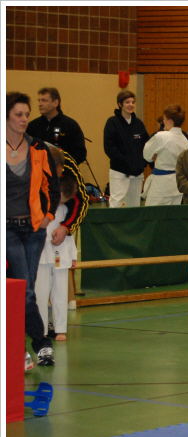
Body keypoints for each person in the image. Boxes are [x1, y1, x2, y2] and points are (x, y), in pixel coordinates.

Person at [6, 92, 60, 370]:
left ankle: (25, 348)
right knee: (24, 290)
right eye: (18, 114)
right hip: (7, 230)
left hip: (33, 229)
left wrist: (48, 216)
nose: (24, 119)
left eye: (27, 114)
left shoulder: (38, 147)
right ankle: (38, 344)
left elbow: (53, 186)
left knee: (25, 290)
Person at [35, 167, 78, 342]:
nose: (60, 202)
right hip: (41, 255)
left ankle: (60, 329)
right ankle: (42, 330)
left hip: (62, 255)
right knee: (40, 293)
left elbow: (69, 234)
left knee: (60, 293)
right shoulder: (39, 206)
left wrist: (73, 256)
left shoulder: (68, 210)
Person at [103, 90, 149, 208]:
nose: (131, 105)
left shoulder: (138, 124)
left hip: (137, 173)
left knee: (134, 204)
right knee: (116, 202)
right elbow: (109, 147)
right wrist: (125, 162)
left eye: (133, 102)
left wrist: (142, 163)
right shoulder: (112, 123)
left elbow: (147, 145)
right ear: (120, 104)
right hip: (119, 171)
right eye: (127, 102)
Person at [27, 87, 88, 165]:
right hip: (38, 169)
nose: (40, 104)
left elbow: (80, 153)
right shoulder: (33, 126)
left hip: (63, 170)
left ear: (56, 103)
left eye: (44, 100)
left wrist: (63, 164)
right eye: (39, 100)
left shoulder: (70, 125)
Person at [142, 104, 188, 206]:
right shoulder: (185, 140)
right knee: (173, 213)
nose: (163, 122)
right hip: (177, 185)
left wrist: (155, 156)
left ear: (170, 121)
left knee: (153, 213)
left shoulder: (161, 136)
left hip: (161, 185)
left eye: (164, 119)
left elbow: (146, 156)